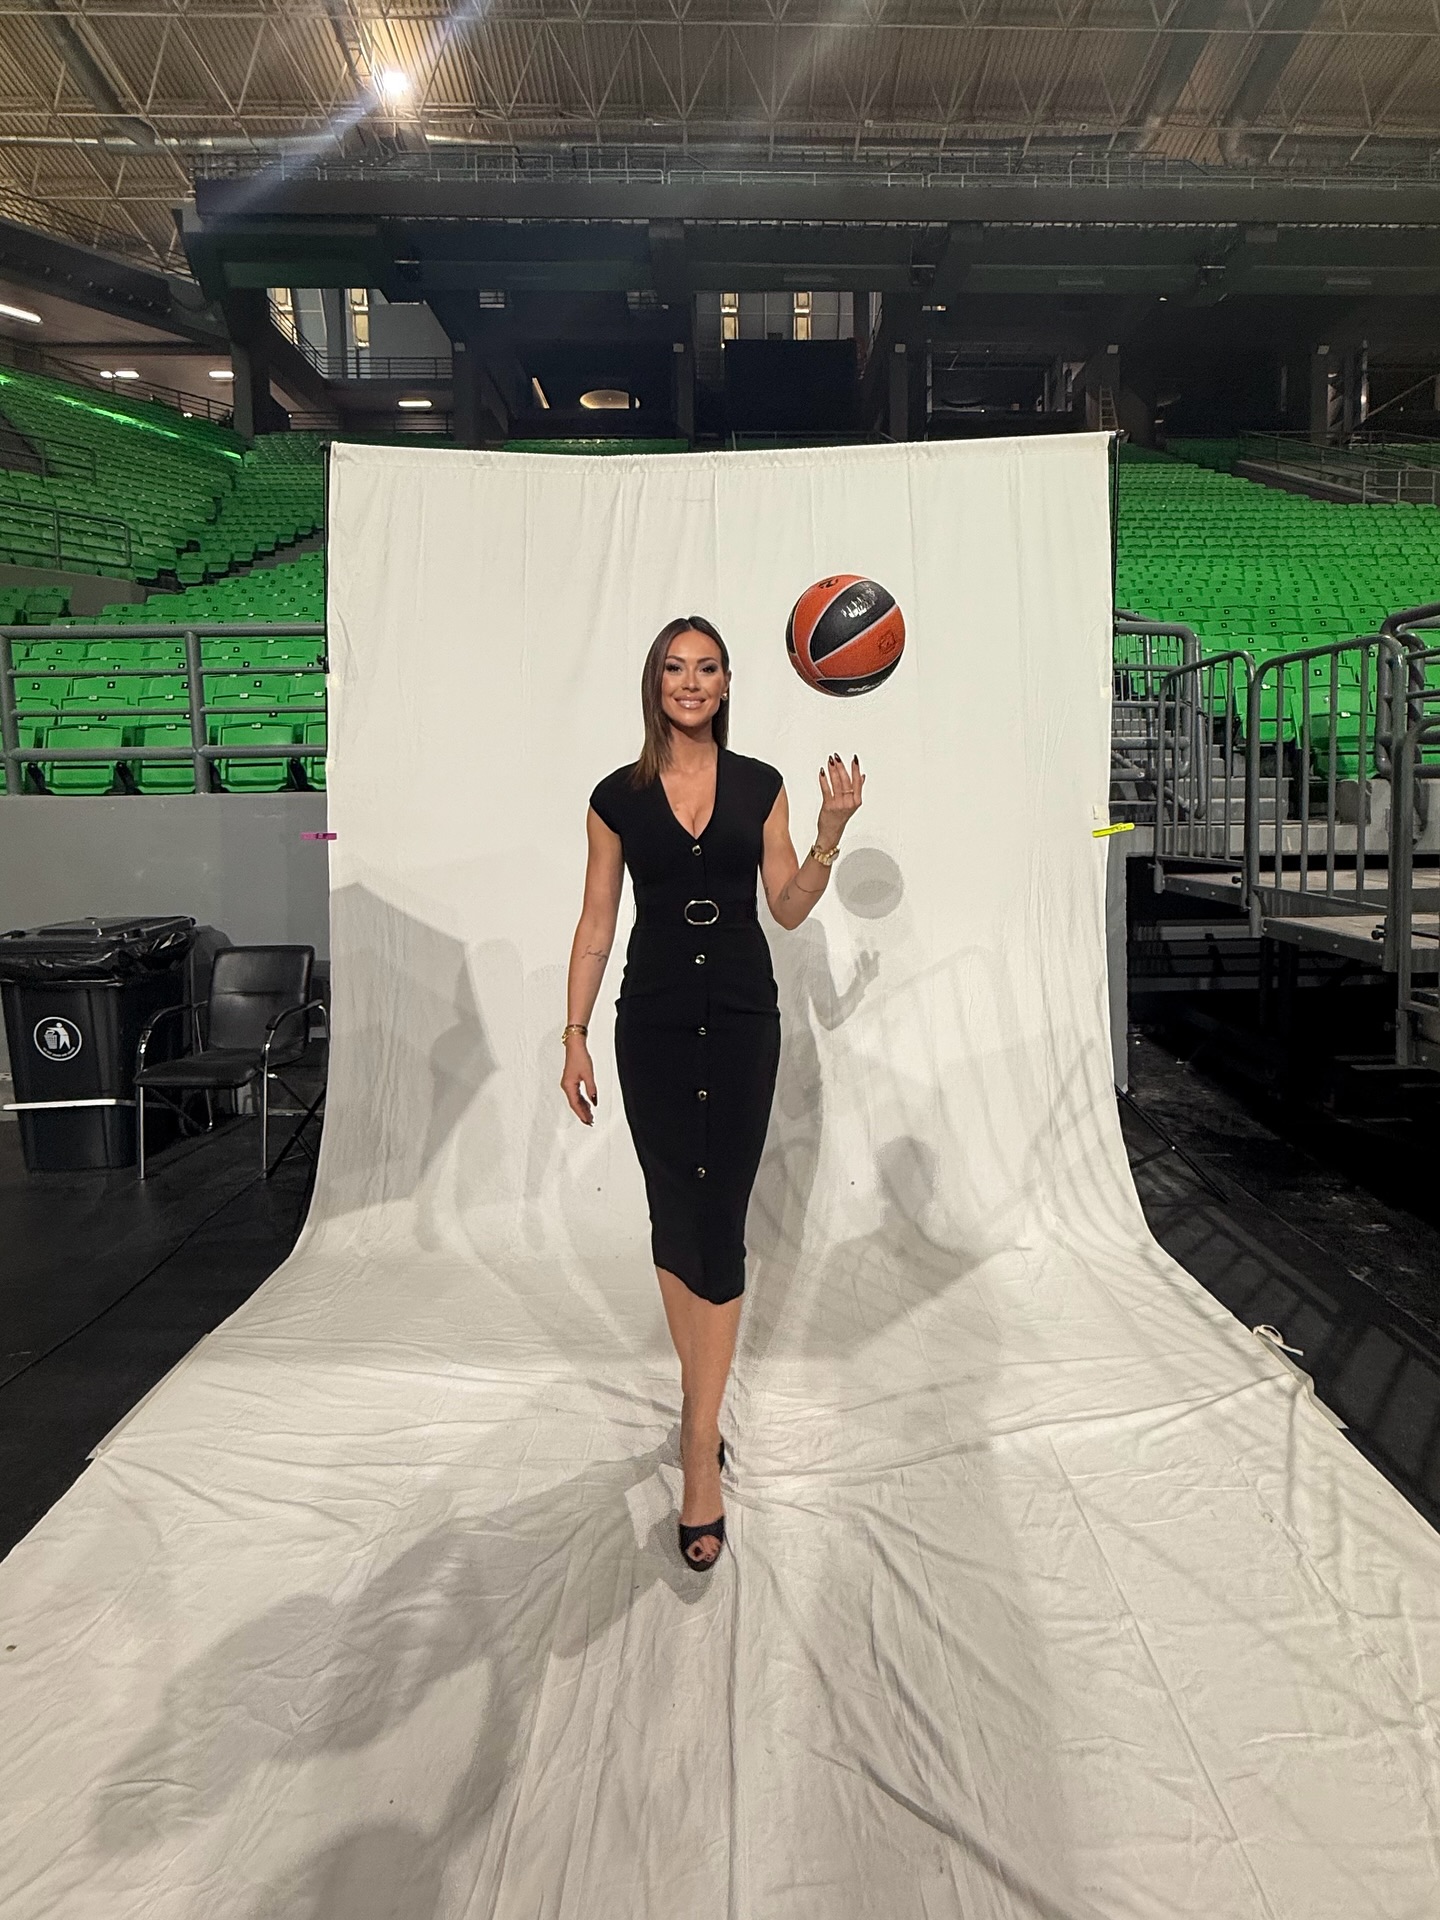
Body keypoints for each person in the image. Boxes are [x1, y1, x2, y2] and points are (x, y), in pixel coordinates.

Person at [561, 615, 865, 1570]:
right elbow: (596, 923)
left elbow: (785, 907)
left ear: (728, 684)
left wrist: (828, 838)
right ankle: (704, 1419)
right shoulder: (615, 798)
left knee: (721, 1218)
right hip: (650, 1022)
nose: (690, 683)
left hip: (740, 1020)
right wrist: (573, 1034)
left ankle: (699, 1445)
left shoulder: (761, 786)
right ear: (654, 684)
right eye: (674, 668)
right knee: (672, 1213)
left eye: (706, 668)